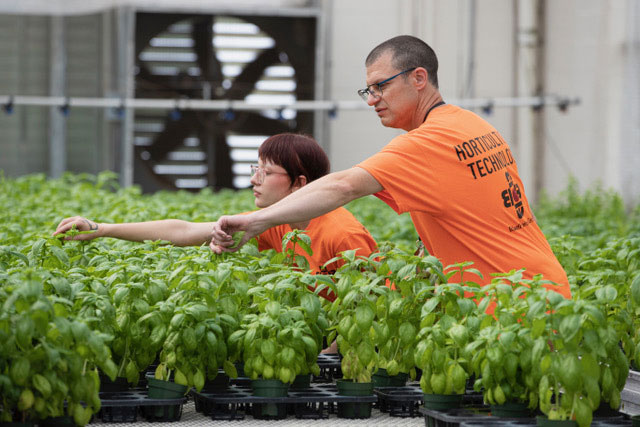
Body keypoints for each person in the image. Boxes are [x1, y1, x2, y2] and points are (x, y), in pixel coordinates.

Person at [210, 35, 571, 299]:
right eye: (367, 90)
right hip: (544, 290)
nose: (373, 100)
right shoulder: (473, 125)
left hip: (511, 306)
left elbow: (343, 187)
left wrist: (258, 221)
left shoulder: (426, 144)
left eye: (380, 86)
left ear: (418, 78)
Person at [54, 133, 378, 299]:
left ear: (300, 184)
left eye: (266, 172)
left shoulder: (343, 236)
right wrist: (102, 229)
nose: (254, 179)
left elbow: (372, 302)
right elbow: (183, 232)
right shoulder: (274, 222)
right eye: (256, 169)